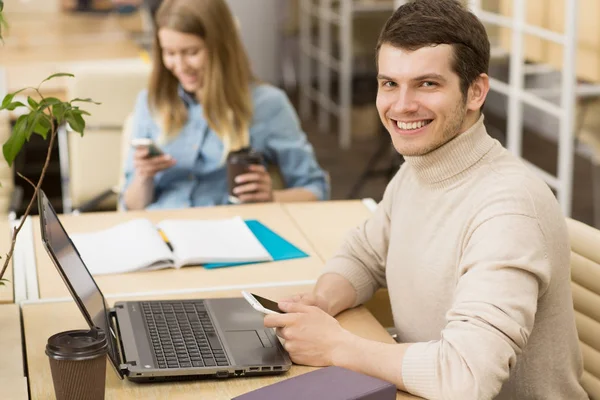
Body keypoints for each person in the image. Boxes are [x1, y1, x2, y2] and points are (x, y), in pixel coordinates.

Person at [264, 1, 588, 399]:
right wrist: (320, 300)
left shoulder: (509, 208)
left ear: (475, 92)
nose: (401, 106)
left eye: (427, 84)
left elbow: (465, 377)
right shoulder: (419, 170)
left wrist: (337, 346)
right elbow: (364, 254)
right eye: (389, 83)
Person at [122, 0, 329, 210]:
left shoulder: (267, 104)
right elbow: (130, 205)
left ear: (220, 48)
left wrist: (271, 197)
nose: (180, 66)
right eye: (170, 53)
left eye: (192, 52)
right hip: (160, 229)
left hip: (227, 230)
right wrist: (143, 177)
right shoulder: (150, 102)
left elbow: (315, 188)